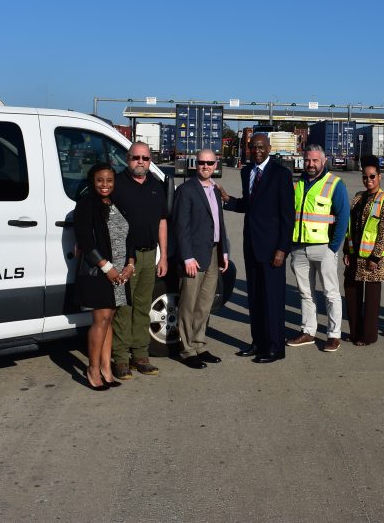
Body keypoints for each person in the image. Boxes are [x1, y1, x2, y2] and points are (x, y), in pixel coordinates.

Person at [221, 133, 295, 364]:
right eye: (253, 147)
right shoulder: (247, 172)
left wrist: (282, 249)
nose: (257, 151)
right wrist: (229, 200)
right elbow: (250, 205)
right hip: (251, 245)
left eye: (261, 147)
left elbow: (288, 216)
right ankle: (258, 342)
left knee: (272, 299)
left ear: (270, 148)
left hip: (273, 249)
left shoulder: (281, 175)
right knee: (255, 298)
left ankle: (275, 347)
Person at [73, 163, 135, 390]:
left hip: (120, 273)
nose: (105, 185)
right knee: (100, 321)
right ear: (93, 181)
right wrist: (107, 267)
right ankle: (92, 370)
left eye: (109, 180)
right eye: (100, 180)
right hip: (101, 272)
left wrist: (130, 263)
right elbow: (86, 242)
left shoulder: (116, 203)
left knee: (109, 321)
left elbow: (129, 235)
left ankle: (106, 370)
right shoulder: (87, 204)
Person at [110, 142, 169, 380]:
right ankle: (121, 359)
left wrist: (163, 255)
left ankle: (141, 356)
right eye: (136, 157)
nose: (141, 162)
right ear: (127, 158)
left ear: (150, 159)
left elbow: (162, 222)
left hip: (148, 255)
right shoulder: (116, 184)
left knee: (143, 307)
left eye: (145, 158)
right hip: (124, 256)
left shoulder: (157, 185)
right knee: (124, 308)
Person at [287, 144, 349, 352]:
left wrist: (333, 248)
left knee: (331, 293)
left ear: (323, 161)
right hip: (299, 248)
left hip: (323, 248)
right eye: (307, 160)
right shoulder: (298, 184)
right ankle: (308, 331)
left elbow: (343, 217)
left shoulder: (335, 184)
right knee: (305, 293)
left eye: (315, 160)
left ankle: (333, 335)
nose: (310, 164)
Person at [172, 149, 231, 369]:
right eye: (201, 163)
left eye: (209, 163)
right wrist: (187, 256)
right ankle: (187, 350)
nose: (205, 166)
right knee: (188, 303)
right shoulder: (186, 190)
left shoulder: (215, 191)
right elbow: (181, 227)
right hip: (194, 256)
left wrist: (223, 251)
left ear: (216, 165)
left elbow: (219, 223)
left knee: (205, 303)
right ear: (195, 165)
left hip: (213, 252)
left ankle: (199, 343)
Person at [343, 156, 384, 346]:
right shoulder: (358, 197)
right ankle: (355, 332)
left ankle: (368, 336)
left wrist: (375, 256)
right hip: (355, 254)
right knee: (351, 293)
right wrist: (347, 251)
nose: (368, 180)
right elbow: (351, 227)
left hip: (374, 258)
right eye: (365, 177)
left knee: (371, 299)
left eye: (372, 176)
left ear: (379, 177)